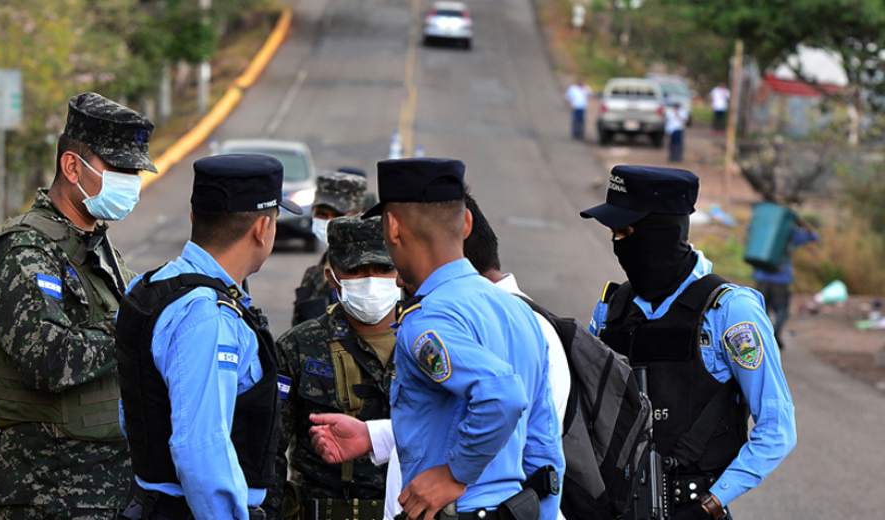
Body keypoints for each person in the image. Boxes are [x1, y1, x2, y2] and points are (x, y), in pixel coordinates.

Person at [309, 193, 570, 520]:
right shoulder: (519, 312)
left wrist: (454, 475)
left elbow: (502, 395)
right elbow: (544, 455)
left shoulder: (427, 320)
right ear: (466, 223)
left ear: (392, 229)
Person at [0, 92, 155, 519]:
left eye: (136, 171)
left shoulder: (98, 245)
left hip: (113, 487)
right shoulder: (23, 250)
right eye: (121, 169)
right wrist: (132, 329)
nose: (131, 181)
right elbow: (47, 357)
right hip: (51, 493)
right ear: (72, 166)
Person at [582, 166, 797, 519]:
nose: (618, 246)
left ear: (660, 233)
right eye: (614, 234)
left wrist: (710, 505)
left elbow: (777, 428)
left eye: (626, 232)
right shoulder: (613, 308)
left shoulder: (729, 311)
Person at [115, 154, 303, 519]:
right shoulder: (206, 315)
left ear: (193, 218)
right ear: (262, 229)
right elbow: (200, 449)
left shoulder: (148, 287)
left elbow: (132, 415)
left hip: (150, 500)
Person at [267, 215, 399, 520]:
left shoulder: (426, 340)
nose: (371, 280)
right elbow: (270, 450)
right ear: (332, 277)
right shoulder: (298, 347)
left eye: (382, 269)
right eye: (355, 270)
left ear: (400, 270)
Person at [293, 171, 368, 326]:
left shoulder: (374, 274)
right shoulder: (313, 275)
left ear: (358, 215)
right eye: (321, 214)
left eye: (337, 215)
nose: (328, 221)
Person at [752, 218, 819, 347]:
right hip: (781, 278)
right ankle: (775, 333)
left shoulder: (762, 228)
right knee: (782, 310)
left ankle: (762, 338)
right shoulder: (790, 231)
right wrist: (802, 223)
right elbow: (814, 236)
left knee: (761, 309)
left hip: (761, 276)